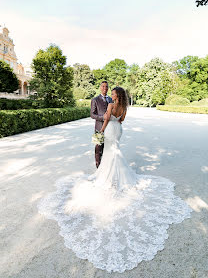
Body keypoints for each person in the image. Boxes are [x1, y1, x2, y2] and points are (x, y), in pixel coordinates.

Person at [38, 86, 193, 273]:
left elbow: (105, 120)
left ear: (116, 95)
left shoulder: (111, 105)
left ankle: (109, 177)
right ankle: (119, 176)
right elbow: (122, 121)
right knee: (115, 152)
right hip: (118, 130)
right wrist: (113, 125)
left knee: (110, 154)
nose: (110, 95)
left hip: (110, 129)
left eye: (112, 93)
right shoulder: (125, 108)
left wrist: (100, 133)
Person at [90, 81, 113, 168]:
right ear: (100, 87)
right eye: (103, 86)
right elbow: (92, 114)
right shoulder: (95, 100)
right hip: (99, 127)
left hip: (110, 128)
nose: (105, 88)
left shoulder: (111, 99)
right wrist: (102, 117)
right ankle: (98, 167)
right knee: (98, 148)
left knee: (108, 148)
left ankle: (106, 166)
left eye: (106, 87)